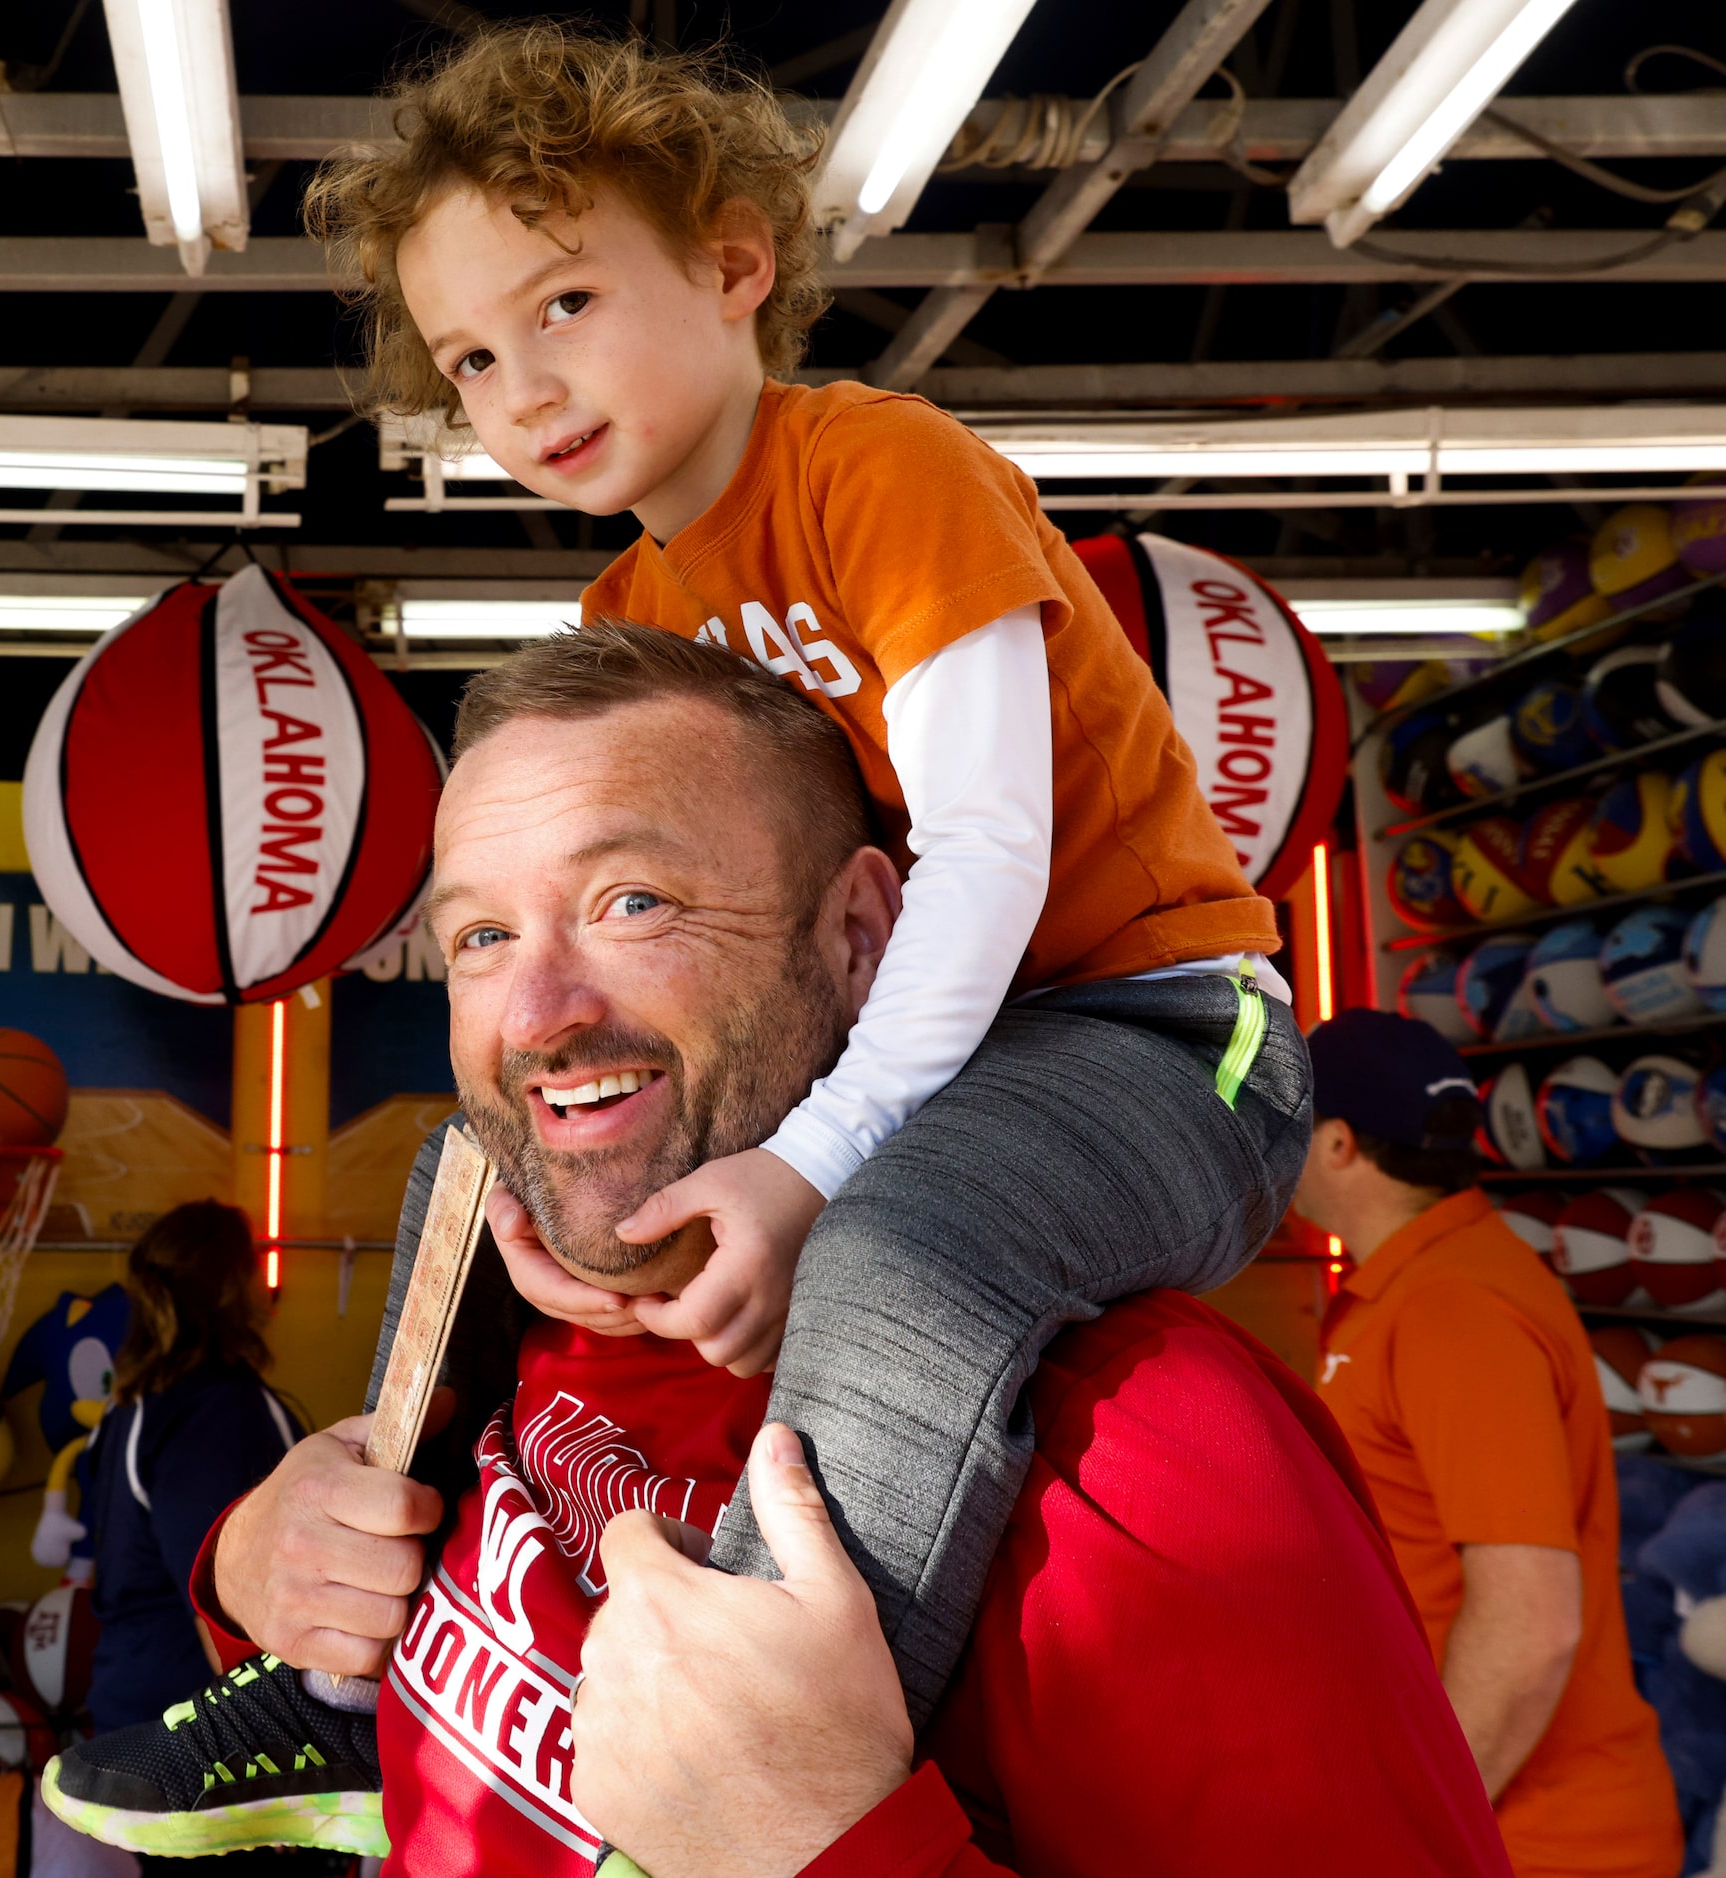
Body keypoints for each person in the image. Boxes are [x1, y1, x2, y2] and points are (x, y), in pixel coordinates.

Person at [45, 627, 1510, 1876]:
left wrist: (831, 1838)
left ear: (863, 932)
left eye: (632, 902)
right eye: (479, 935)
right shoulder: (518, 1325)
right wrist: (268, 1579)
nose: (538, 1013)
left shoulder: (1137, 1452)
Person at [290, 20, 1298, 1719]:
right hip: (917, 1041)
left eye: (560, 305)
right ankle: (334, 1692)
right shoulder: (626, 619)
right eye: (466, 359)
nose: (518, 388)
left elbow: (985, 848)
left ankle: (762, 1749)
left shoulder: (876, 468)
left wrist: (815, 1156)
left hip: (1151, 1022)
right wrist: (560, 1198)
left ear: (731, 262)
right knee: (469, 1159)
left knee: (899, 1238)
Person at [1294, 1010, 1679, 1878]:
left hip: (1534, 1843)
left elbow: (1530, 1621)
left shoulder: (1449, 1309)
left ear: (1341, 1144)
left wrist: (1418, 1831)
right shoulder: (1427, 1281)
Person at [79, 1199, 304, 1740]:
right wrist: (280, 1738)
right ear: (232, 1284)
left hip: (134, 1715)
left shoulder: (134, 1405)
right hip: (191, 1746)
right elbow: (223, 1604)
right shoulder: (216, 1413)